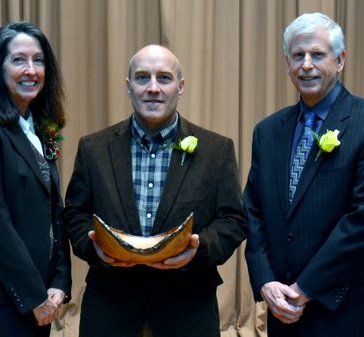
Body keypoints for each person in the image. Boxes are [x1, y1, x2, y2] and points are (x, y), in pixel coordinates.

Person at [63, 44, 247, 337]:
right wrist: (93, 247)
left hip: (187, 311)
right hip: (111, 310)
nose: (152, 88)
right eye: (142, 77)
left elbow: (233, 220)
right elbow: (75, 213)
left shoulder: (216, 150)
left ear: (180, 86)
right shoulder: (93, 148)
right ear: (128, 86)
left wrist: (198, 249)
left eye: (163, 78)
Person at [244, 12, 364, 337]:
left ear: (340, 60)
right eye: (298, 56)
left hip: (345, 310)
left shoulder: (362, 121)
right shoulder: (267, 131)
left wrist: (305, 288)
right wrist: (266, 281)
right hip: (281, 311)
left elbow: (361, 220)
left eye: (317, 55)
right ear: (287, 63)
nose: (306, 65)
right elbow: (253, 213)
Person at [0, 22, 71, 337]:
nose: (31, 70)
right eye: (19, 60)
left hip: (40, 297)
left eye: (38, 60)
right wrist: (33, 296)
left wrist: (58, 282)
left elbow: (54, 212)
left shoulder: (37, 127)